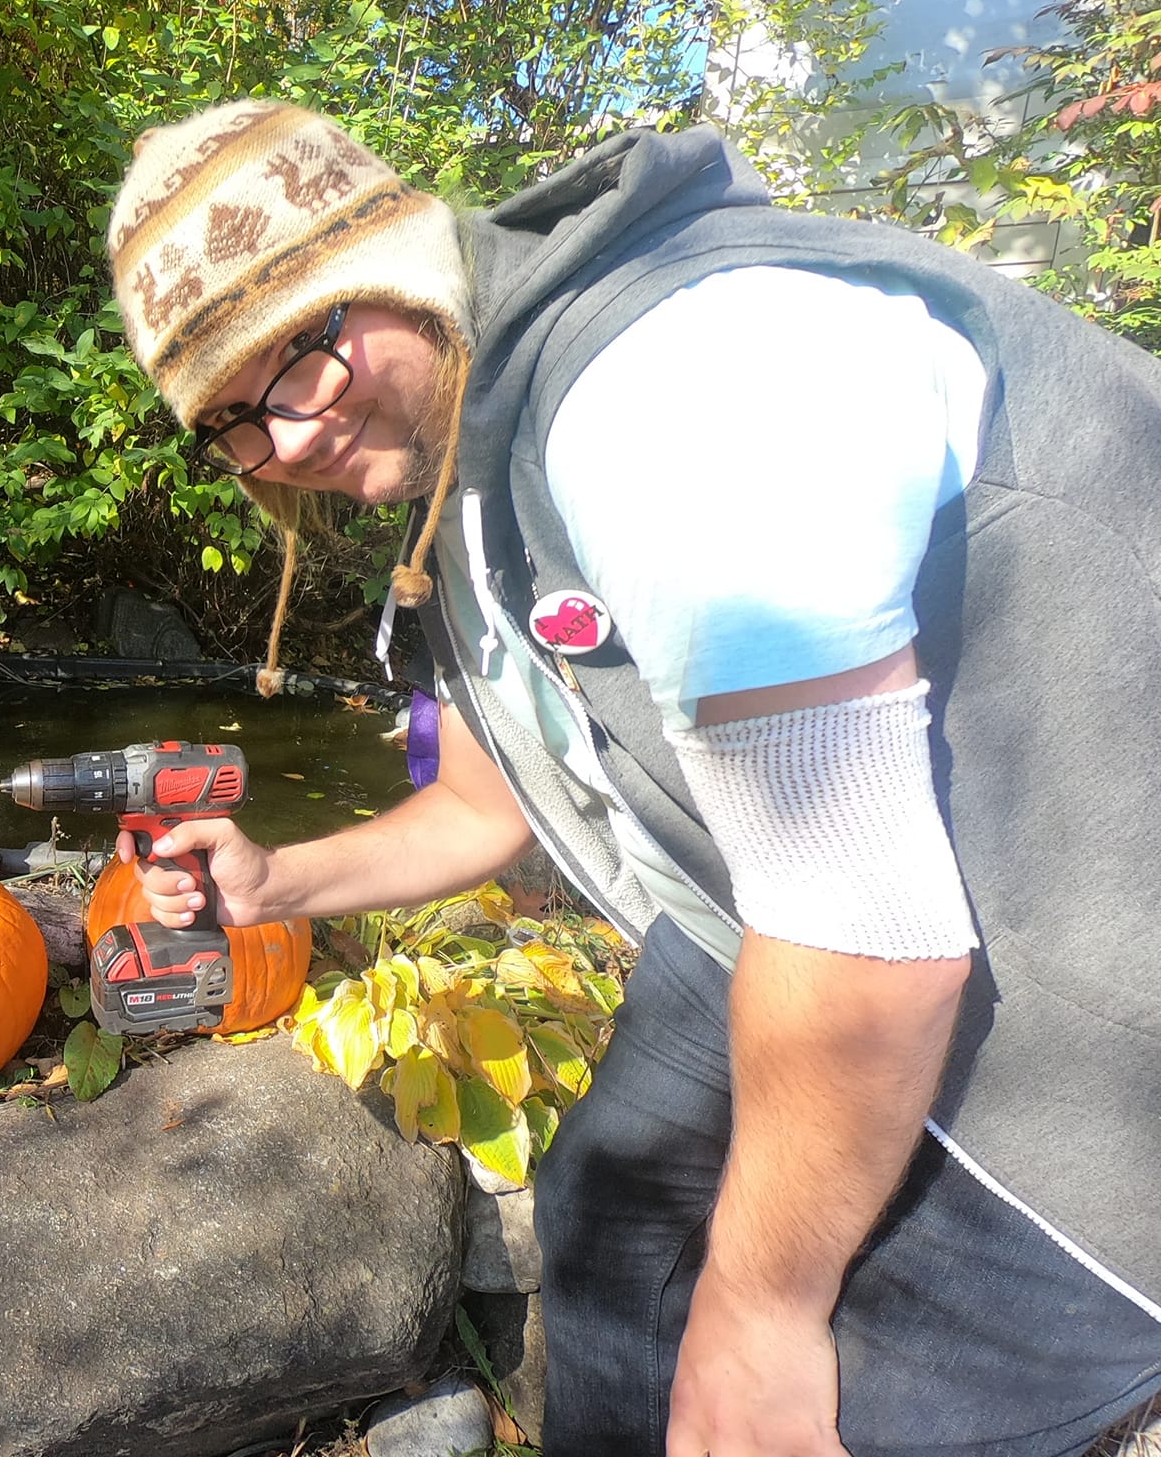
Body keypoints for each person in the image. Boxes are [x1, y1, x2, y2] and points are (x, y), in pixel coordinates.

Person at [106, 100, 1161, 1457]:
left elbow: (867, 935)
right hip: (764, 936)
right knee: (606, 1250)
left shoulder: (674, 395)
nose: (290, 440)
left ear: (392, 260)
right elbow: (495, 805)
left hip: (1070, 1028)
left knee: (816, 1407)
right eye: (234, 418)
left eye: (301, 353)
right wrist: (278, 881)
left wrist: (764, 1310)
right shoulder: (469, 485)